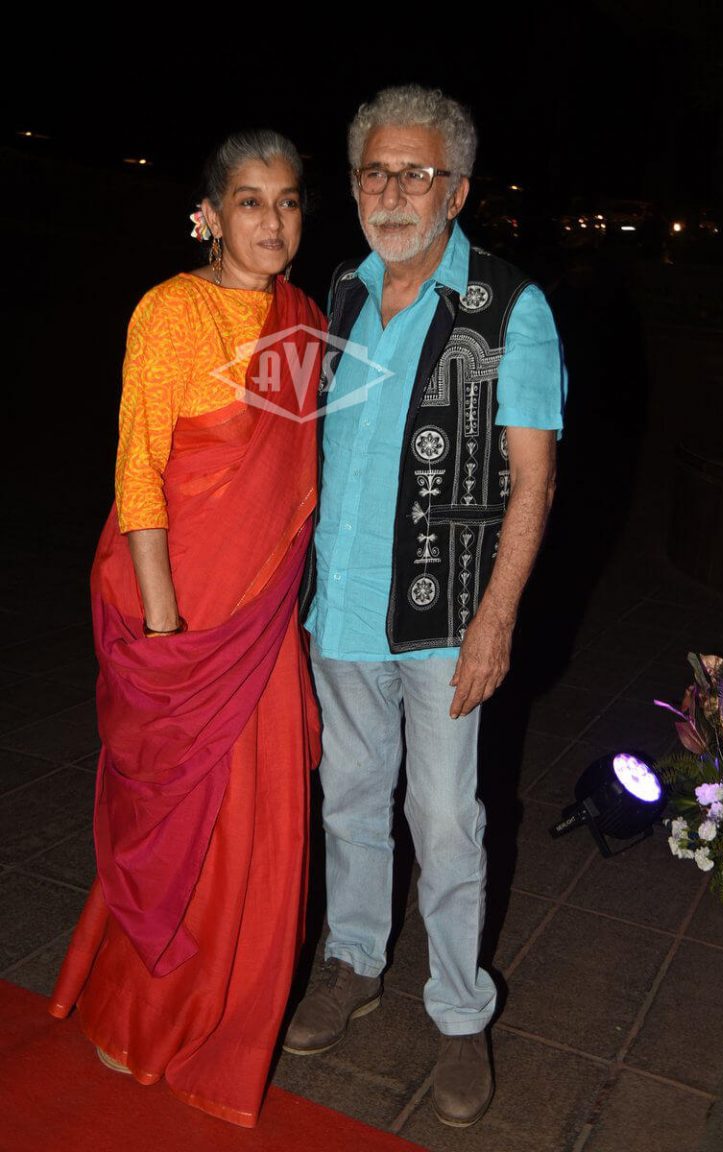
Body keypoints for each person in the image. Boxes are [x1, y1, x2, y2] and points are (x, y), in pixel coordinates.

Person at [284, 86, 567, 1129]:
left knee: (445, 820)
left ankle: (457, 1009)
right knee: (349, 800)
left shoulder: (508, 306)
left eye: (417, 174)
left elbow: (535, 481)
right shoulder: (343, 291)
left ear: (456, 191)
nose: (394, 193)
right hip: (339, 608)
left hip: (445, 619)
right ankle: (353, 961)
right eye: (376, 172)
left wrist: (496, 620)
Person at [48, 129, 325, 1128]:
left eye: (288, 201)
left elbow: (294, 484)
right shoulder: (171, 310)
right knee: (178, 835)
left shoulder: (300, 321)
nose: (272, 221)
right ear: (209, 212)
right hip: (187, 619)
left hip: (260, 627)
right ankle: (141, 1015)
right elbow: (139, 470)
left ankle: (225, 1025)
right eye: (250, 200)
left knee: (259, 834)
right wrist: (168, 628)